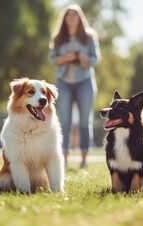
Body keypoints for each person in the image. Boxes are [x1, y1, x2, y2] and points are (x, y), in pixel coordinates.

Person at [49, 4, 101, 168]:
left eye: (75, 14)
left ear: (80, 18)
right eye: (68, 14)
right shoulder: (58, 37)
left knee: (85, 122)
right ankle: (64, 159)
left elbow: (96, 59)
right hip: (64, 83)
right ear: (64, 18)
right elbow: (53, 59)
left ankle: (84, 159)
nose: (71, 17)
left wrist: (86, 58)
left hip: (85, 82)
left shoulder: (89, 37)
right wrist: (68, 57)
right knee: (64, 122)